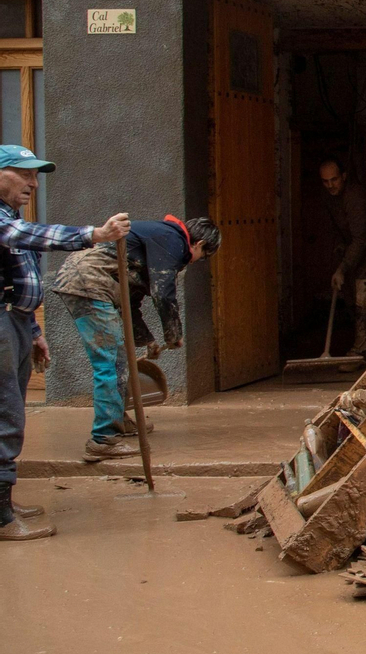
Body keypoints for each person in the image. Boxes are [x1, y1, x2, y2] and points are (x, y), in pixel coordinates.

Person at [0, 145, 130, 542]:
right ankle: (1, 518)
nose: (33, 184)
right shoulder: (9, 223)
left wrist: (33, 331)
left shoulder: (12, 216)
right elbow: (30, 236)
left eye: (36, 176)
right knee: (6, 415)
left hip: (14, 321)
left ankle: (3, 503)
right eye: (24, 174)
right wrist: (94, 235)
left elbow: (19, 276)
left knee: (10, 412)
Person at [50, 216, 221, 462]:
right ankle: (103, 439)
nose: (196, 261)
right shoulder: (173, 240)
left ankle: (117, 420)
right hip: (90, 283)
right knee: (111, 363)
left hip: (88, 281)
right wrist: (174, 334)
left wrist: (148, 339)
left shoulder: (161, 240)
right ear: (199, 243)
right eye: (203, 256)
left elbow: (131, 300)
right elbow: (163, 294)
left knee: (117, 360)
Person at [320, 159, 366, 355]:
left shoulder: (355, 198)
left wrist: (342, 268)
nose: (330, 185)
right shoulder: (330, 198)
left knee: (365, 288)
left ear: (343, 176)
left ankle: (361, 349)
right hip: (354, 244)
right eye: (325, 181)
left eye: (334, 179)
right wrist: (339, 250)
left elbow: (361, 239)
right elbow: (337, 229)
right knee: (350, 291)